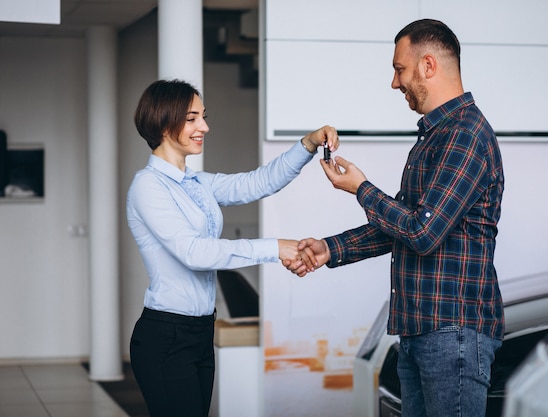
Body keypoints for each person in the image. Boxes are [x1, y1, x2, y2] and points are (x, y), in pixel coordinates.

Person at [285, 19, 504, 417]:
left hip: (452, 335)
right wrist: (327, 250)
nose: (394, 82)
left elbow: (422, 231)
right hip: (421, 334)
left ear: (428, 65)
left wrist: (361, 189)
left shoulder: (467, 134)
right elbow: (399, 228)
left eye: (399, 69)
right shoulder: (434, 138)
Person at [126, 79, 338, 417]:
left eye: (203, 117)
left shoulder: (197, 183)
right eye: (193, 118)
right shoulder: (148, 187)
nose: (204, 127)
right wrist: (274, 248)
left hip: (200, 331)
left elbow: (260, 181)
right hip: (166, 335)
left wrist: (308, 144)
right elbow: (195, 253)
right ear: (165, 123)